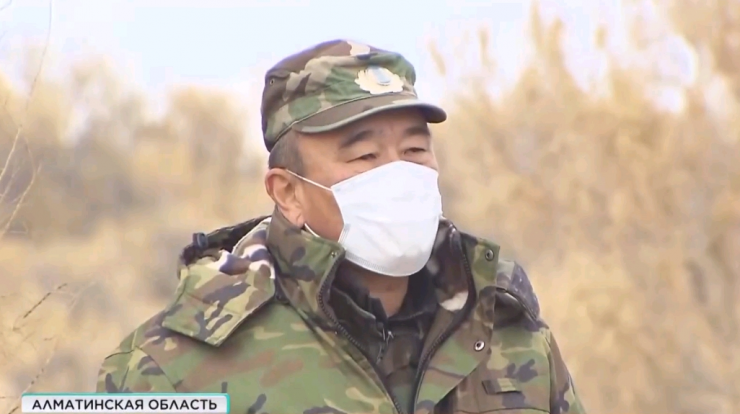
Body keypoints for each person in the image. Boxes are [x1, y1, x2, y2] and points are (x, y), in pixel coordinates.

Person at [96, 39, 585, 414]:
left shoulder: (504, 329)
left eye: (414, 149)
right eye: (365, 156)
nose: (398, 174)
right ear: (288, 193)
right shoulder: (170, 366)